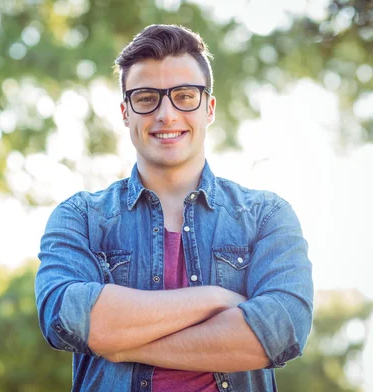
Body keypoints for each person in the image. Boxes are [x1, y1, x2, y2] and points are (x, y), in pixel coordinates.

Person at [35, 24, 313, 392]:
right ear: (125, 112)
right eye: (147, 98)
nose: (166, 114)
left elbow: (281, 330)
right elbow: (68, 316)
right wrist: (214, 299)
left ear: (209, 108)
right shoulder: (81, 218)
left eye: (184, 96)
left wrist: (121, 343)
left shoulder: (266, 217)